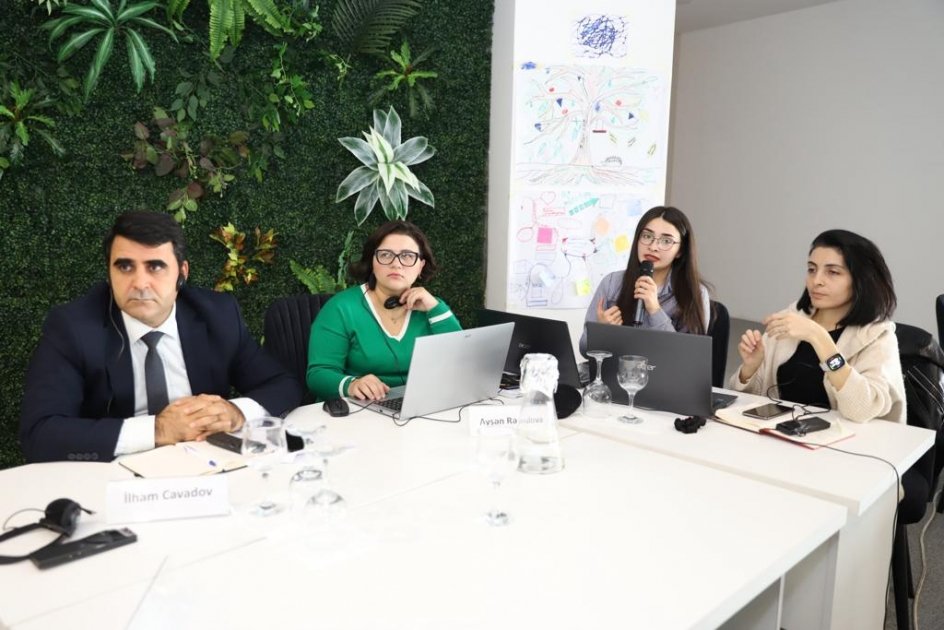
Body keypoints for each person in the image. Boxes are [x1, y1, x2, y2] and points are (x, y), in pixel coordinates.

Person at [20, 211, 304, 463]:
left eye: (155, 266)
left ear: (182, 273)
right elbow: (40, 433)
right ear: (109, 273)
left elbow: (281, 383)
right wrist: (158, 430)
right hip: (116, 475)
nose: (140, 283)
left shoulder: (217, 315)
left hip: (208, 463)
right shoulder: (74, 328)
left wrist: (236, 412)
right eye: (125, 267)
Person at [729, 229, 905, 423]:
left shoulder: (877, 335)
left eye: (833, 272)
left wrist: (818, 337)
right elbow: (748, 402)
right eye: (812, 269)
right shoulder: (790, 318)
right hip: (782, 435)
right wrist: (750, 369)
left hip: (845, 440)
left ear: (860, 280)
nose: (816, 281)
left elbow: (862, 410)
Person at [306, 221, 461, 401]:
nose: (396, 264)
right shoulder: (341, 308)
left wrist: (436, 308)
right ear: (372, 261)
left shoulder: (431, 307)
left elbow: (461, 364)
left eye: (407, 256)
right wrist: (352, 385)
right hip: (359, 408)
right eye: (386, 255)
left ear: (420, 266)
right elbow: (318, 375)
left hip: (420, 405)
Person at [579, 205, 711, 355]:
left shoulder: (696, 293)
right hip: (619, 369)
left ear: (680, 251)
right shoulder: (611, 283)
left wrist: (655, 310)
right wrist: (601, 332)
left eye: (666, 241)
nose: (653, 247)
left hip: (664, 371)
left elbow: (688, 357)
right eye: (647, 236)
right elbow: (584, 350)